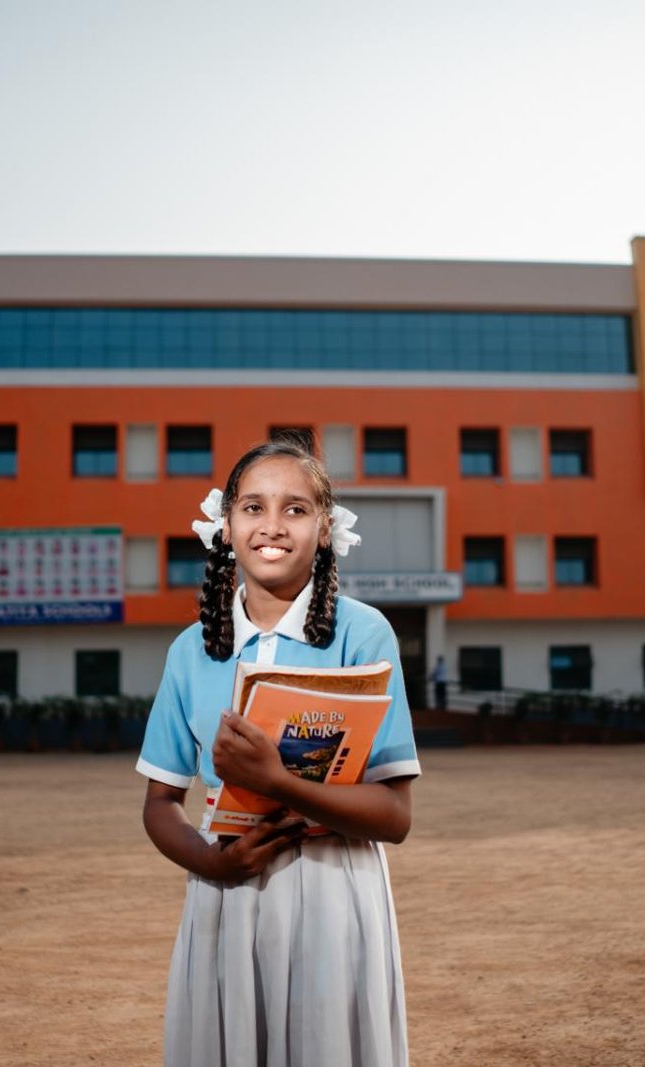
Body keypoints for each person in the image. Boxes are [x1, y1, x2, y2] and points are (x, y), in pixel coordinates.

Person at [137, 437, 420, 1067]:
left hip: (332, 893)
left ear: (325, 530)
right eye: (252, 507)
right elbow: (160, 803)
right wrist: (213, 866)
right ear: (225, 526)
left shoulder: (363, 632)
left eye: (295, 509)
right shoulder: (191, 649)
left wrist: (278, 781)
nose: (272, 526)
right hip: (227, 891)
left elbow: (395, 817)